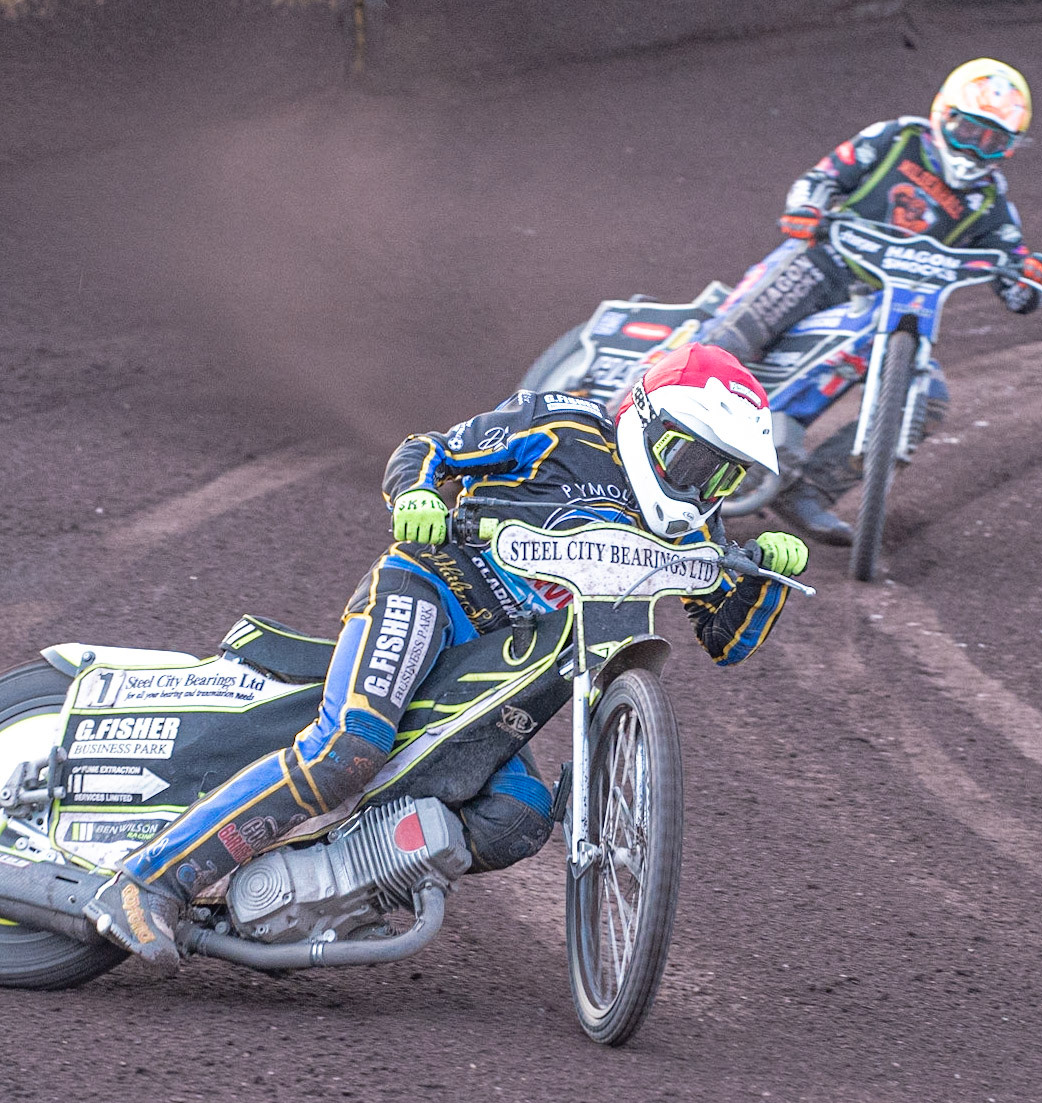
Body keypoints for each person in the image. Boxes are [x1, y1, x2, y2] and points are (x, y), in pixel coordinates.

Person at [83, 344, 810, 965]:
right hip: (431, 591)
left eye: (727, 477)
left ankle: (323, 897)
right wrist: (420, 494)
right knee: (351, 745)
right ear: (647, 422)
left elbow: (726, 638)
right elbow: (426, 448)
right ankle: (148, 881)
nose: (705, 487)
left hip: (501, 685)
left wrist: (768, 573)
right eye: (696, 460)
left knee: (521, 813)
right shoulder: (559, 424)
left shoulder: (691, 536)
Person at [702, 58, 1042, 545]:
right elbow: (823, 177)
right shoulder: (896, 139)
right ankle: (635, 418)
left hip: (896, 307)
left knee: (926, 400)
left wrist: (1030, 281)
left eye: (992, 141)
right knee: (730, 342)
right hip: (826, 262)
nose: (975, 148)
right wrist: (807, 207)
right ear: (943, 114)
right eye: (967, 130)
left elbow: (1013, 272)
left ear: (1009, 149)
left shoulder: (989, 202)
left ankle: (806, 492)